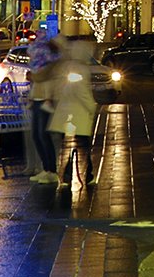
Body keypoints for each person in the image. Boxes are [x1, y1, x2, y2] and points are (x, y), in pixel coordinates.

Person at [45, 37, 100, 192]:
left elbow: (58, 87)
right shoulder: (80, 69)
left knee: (67, 145)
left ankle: (67, 174)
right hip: (77, 113)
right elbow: (82, 92)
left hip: (64, 112)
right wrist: (91, 107)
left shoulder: (66, 66)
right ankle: (84, 174)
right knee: (82, 145)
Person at [25, 33, 61, 184]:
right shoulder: (38, 67)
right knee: (36, 135)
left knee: (42, 135)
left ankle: (51, 170)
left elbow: (44, 81)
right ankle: (46, 169)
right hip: (38, 101)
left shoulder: (47, 67)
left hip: (45, 101)